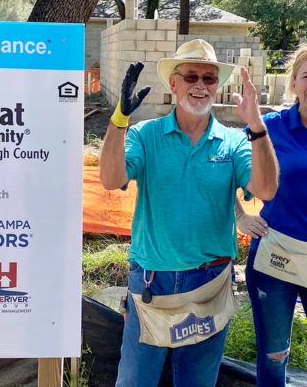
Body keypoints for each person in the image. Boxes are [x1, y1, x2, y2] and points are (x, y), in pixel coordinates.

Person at [100, 38, 278, 387]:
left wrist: (257, 126)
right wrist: (119, 119)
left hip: (208, 283)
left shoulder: (234, 141)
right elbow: (110, 178)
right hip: (153, 281)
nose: (200, 85)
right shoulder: (145, 135)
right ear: (174, 83)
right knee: (135, 381)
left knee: (196, 382)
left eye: (209, 79)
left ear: (217, 86)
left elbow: (267, 189)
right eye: (191, 76)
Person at [234, 45, 307, 387]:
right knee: (274, 356)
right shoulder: (272, 128)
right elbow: (220, 164)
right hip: (276, 258)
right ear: (294, 83)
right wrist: (239, 217)